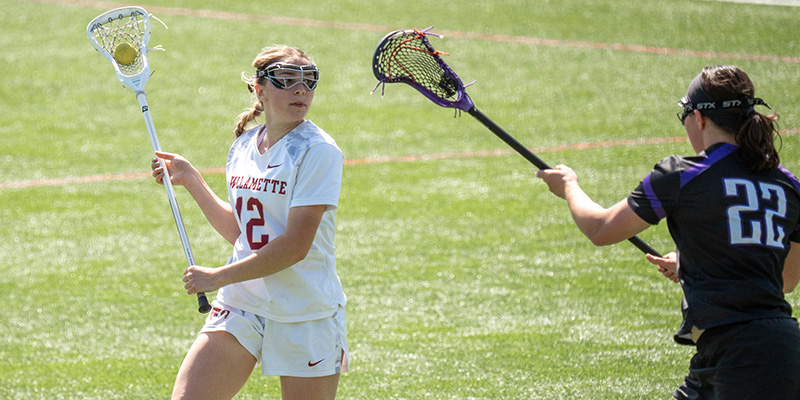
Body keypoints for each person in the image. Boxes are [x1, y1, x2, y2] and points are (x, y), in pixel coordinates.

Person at [535, 65, 800, 399]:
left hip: (744, 355)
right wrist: (695, 265)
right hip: (763, 351)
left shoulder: (680, 174)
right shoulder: (789, 185)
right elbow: (785, 280)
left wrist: (569, 187)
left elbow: (600, 228)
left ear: (699, 118)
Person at [151, 45, 347, 400]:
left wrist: (217, 276)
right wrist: (191, 179)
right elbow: (243, 233)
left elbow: (294, 247)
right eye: (287, 81)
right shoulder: (243, 146)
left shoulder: (319, 152)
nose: (300, 90)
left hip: (304, 311)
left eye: (309, 81)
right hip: (243, 300)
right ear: (260, 90)